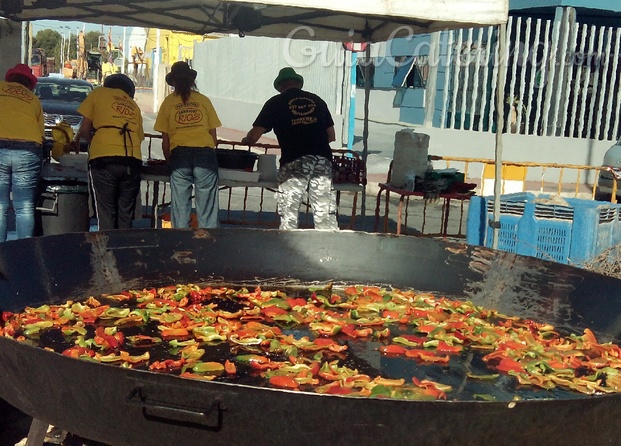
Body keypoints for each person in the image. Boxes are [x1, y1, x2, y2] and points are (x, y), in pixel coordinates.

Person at [241, 67, 339, 230]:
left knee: (290, 212)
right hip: (322, 159)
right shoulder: (318, 101)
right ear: (299, 84)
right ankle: (329, 248)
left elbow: (254, 135)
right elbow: (331, 136)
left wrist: (246, 141)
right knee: (324, 212)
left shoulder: (275, 102)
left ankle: (289, 247)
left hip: (295, 160)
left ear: (280, 87)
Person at [154, 61, 222, 228]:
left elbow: (165, 141)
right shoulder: (203, 100)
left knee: (180, 206)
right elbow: (213, 137)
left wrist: (170, 161)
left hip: (180, 156)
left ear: (173, 82)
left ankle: (182, 244)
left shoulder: (168, 103)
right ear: (192, 81)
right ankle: (209, 243)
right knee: (207, 206)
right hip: (205, 155)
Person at [74, 73, 144, 230]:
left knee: (106, 212)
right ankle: (124, 251)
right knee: (125, 213)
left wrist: (95, 145)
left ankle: (108, 251)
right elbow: (139, 138)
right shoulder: (134, 105)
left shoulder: (98, 93)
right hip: (132, 159)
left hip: (104, 159)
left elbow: (85, 129)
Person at [0, 63, 45, 242]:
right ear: (29, 84)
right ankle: (23, 253)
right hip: (27, 148)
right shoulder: (33, 99)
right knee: (24, 207)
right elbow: (41, 134)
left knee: (0, 205)